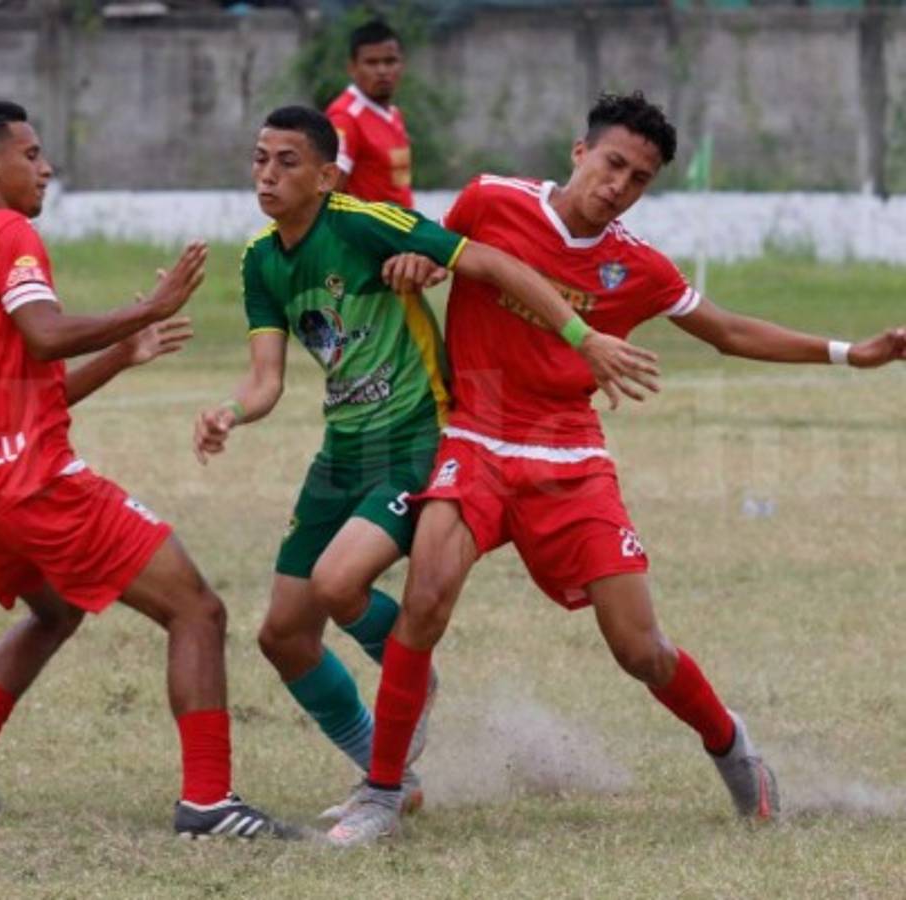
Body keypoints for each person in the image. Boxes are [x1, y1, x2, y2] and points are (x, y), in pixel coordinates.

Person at [325, 90, 906, 846]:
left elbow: (725, 330)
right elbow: (437, 250)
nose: (618, 186)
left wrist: (847, 353)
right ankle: (382, 789)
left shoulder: (633, 265)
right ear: (579, 152)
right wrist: (416, 262)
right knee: (426, 596)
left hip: (570, 457)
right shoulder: (490, 200)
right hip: (476, 437)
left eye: (637, 178)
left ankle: (733, 747)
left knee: (639, 648)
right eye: (611, 164)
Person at [192, 105, 659, 821]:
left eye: (287, 161)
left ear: (324, 176)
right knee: (281, 634)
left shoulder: (359, 220)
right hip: (341, 449)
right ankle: (389, 770)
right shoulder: (260, 259)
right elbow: (266, 379)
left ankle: (411, 674)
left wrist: (578, 334)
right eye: (259, 158)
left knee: (337, 583)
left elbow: (492, 261)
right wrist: (230, 412)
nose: (267, 174)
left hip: (416, 438)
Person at [0, 100, 292, 840]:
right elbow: (46, 333)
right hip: (35, 484)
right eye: (30, 153)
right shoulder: (7, 230)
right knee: (197, 610)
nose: (45, 166)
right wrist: (146, 307)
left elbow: (31, 385)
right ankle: (209, 803)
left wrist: (121, 353)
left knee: (54, 612)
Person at [325, 19, 413, 206]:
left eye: (390, 61)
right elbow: (329, 193)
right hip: (369, 233)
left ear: (402, 64)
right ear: (352, 68)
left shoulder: (394, 114)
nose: (382, 70)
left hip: (400, 231)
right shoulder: (345, 118)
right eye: (371, 63)